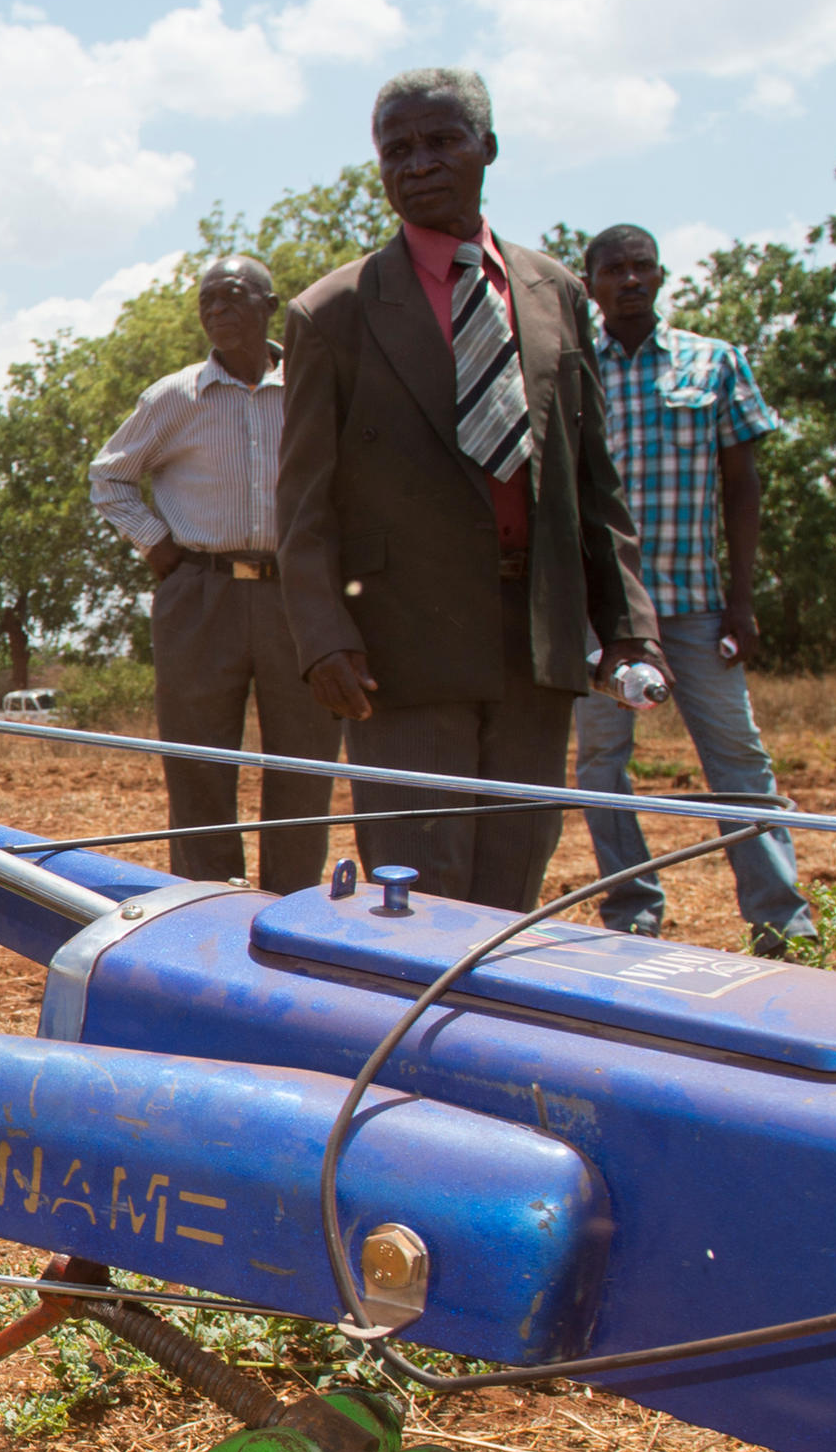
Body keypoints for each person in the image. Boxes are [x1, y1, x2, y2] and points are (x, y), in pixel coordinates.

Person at [279, 68, 653, 911]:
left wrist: (627, 629)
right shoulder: (332, 313)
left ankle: (498, 1039)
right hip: (400, 651)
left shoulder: (555, 292)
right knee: (423, 894)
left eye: (441, 141)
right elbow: (302, 505)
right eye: (396, 149)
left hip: (538, 640)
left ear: (488, 148)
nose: (418, 164)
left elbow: (594, 483)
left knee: (512, 887)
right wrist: (321, 637)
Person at [569, 225, 812, 954]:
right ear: (592, 286)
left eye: (642, 266)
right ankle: (632, 911)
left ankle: (780, 919)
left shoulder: (715, 361)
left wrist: (743, 599)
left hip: (699, 603)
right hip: (606, 616)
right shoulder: (573, 369)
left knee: (738, 759)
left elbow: (743, 485)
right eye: (614, 269)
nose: (631, 280)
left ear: (663, 275)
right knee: (600, 766)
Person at [90, 254, 343, 894]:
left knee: (304, 762)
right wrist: (157, 546)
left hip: (301, 595)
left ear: (269, 304)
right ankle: (210, 910)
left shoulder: (316, 387)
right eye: (207, 301)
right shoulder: (175, 396)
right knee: (200, 763)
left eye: (233, 297)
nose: (218, 311)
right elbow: (109, 476)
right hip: (200, 596)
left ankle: (293, 909)